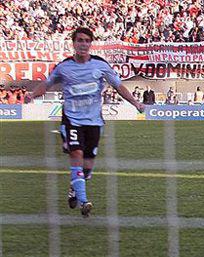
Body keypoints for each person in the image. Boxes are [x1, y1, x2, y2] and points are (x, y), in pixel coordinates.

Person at [25, 27, 144, 218]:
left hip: (94, 122)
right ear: (74, 43)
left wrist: (135, 102)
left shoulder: (100, 65)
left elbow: (118, 85)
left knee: (88, 166)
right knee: (77, 156)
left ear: (91, 44)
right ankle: (84, 201)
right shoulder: (64, 66)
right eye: (79, 40)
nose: (83, 44)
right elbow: (47, 84)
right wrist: (32, 94)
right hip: (72, 120)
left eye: (87, 41)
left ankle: (75, 188)